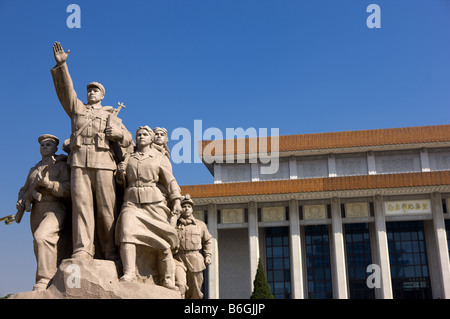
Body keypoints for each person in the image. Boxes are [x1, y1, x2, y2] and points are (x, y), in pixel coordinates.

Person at [50, 42, 133, 260]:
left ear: (102, 95)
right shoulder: (78, 109)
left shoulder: (111, 115)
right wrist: (62, 67)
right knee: (82, 207)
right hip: (79, 162)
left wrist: (118, 134)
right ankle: (82, 249)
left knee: (107, 209)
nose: (91, 92)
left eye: (95, 90)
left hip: (104, 162)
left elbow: (128, 138)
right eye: (89, 90)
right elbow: (65, 92)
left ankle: (109, 251)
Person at [115, 126, 182, 289]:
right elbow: (120, 183)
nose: (141, 137)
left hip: (154, 203)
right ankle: (129, 272)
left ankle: (167, 278)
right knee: (127, 233)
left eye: (145, 134)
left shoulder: (159, 157)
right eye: (139, 135)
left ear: (151, 138)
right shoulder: (129, 157)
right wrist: (119, 174)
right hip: (131, 201)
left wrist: (176, 200)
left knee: (164, 240)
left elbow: (170, 180)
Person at [17, 134, 71, 291]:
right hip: (36, 210)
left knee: (42, 237)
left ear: (55, 148)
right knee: (38, 244)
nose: (45, 147)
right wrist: (20, 199)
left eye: (48, 144)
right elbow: (23, 190)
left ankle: (44, 279)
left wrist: (49, 184)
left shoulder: (61, 166)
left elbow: (69, 189)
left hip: (55, 207)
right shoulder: (34, 169)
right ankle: (50, 278)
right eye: (42, 145)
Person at [174, 194, 213, 299]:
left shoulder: (200, 225)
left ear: (192, 209)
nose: (186, 209)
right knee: (180, 284)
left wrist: (208, 255)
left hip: (195, 259)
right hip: (178, 258)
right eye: (184, 206)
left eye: (189, 206)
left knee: (195, 289)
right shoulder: (174, 224)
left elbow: (208, 240)